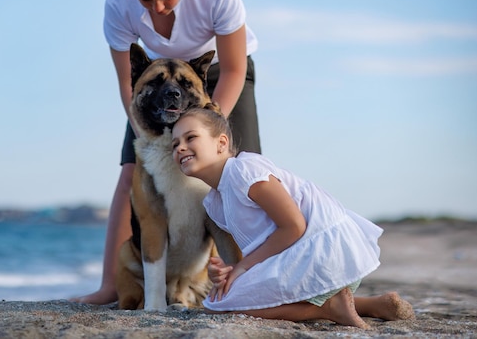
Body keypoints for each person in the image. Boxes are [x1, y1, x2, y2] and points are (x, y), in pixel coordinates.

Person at [71, 0, 262, 305]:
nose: (157, 9)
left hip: (217, 70)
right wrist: (150, 135)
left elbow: (235, 69)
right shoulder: (118, 4)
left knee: (242, 172)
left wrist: (206, 126)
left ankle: (249, 280)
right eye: (146, 0)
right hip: (155, 80)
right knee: (131, 170)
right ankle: (112, 284)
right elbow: (129, 86)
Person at [170, 108, 415, 328]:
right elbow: (262, 246)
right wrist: (227, 272)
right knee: (219, 298)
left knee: (222, 305)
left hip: (322, 248)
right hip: (294, 255)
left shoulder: (244, 171)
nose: (180, 147)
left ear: (221, 143)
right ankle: (374, 305)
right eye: (174, 144)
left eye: (190, 137)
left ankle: (328, 308)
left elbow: (294, 226)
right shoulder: (216, 202)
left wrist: (242, 268)